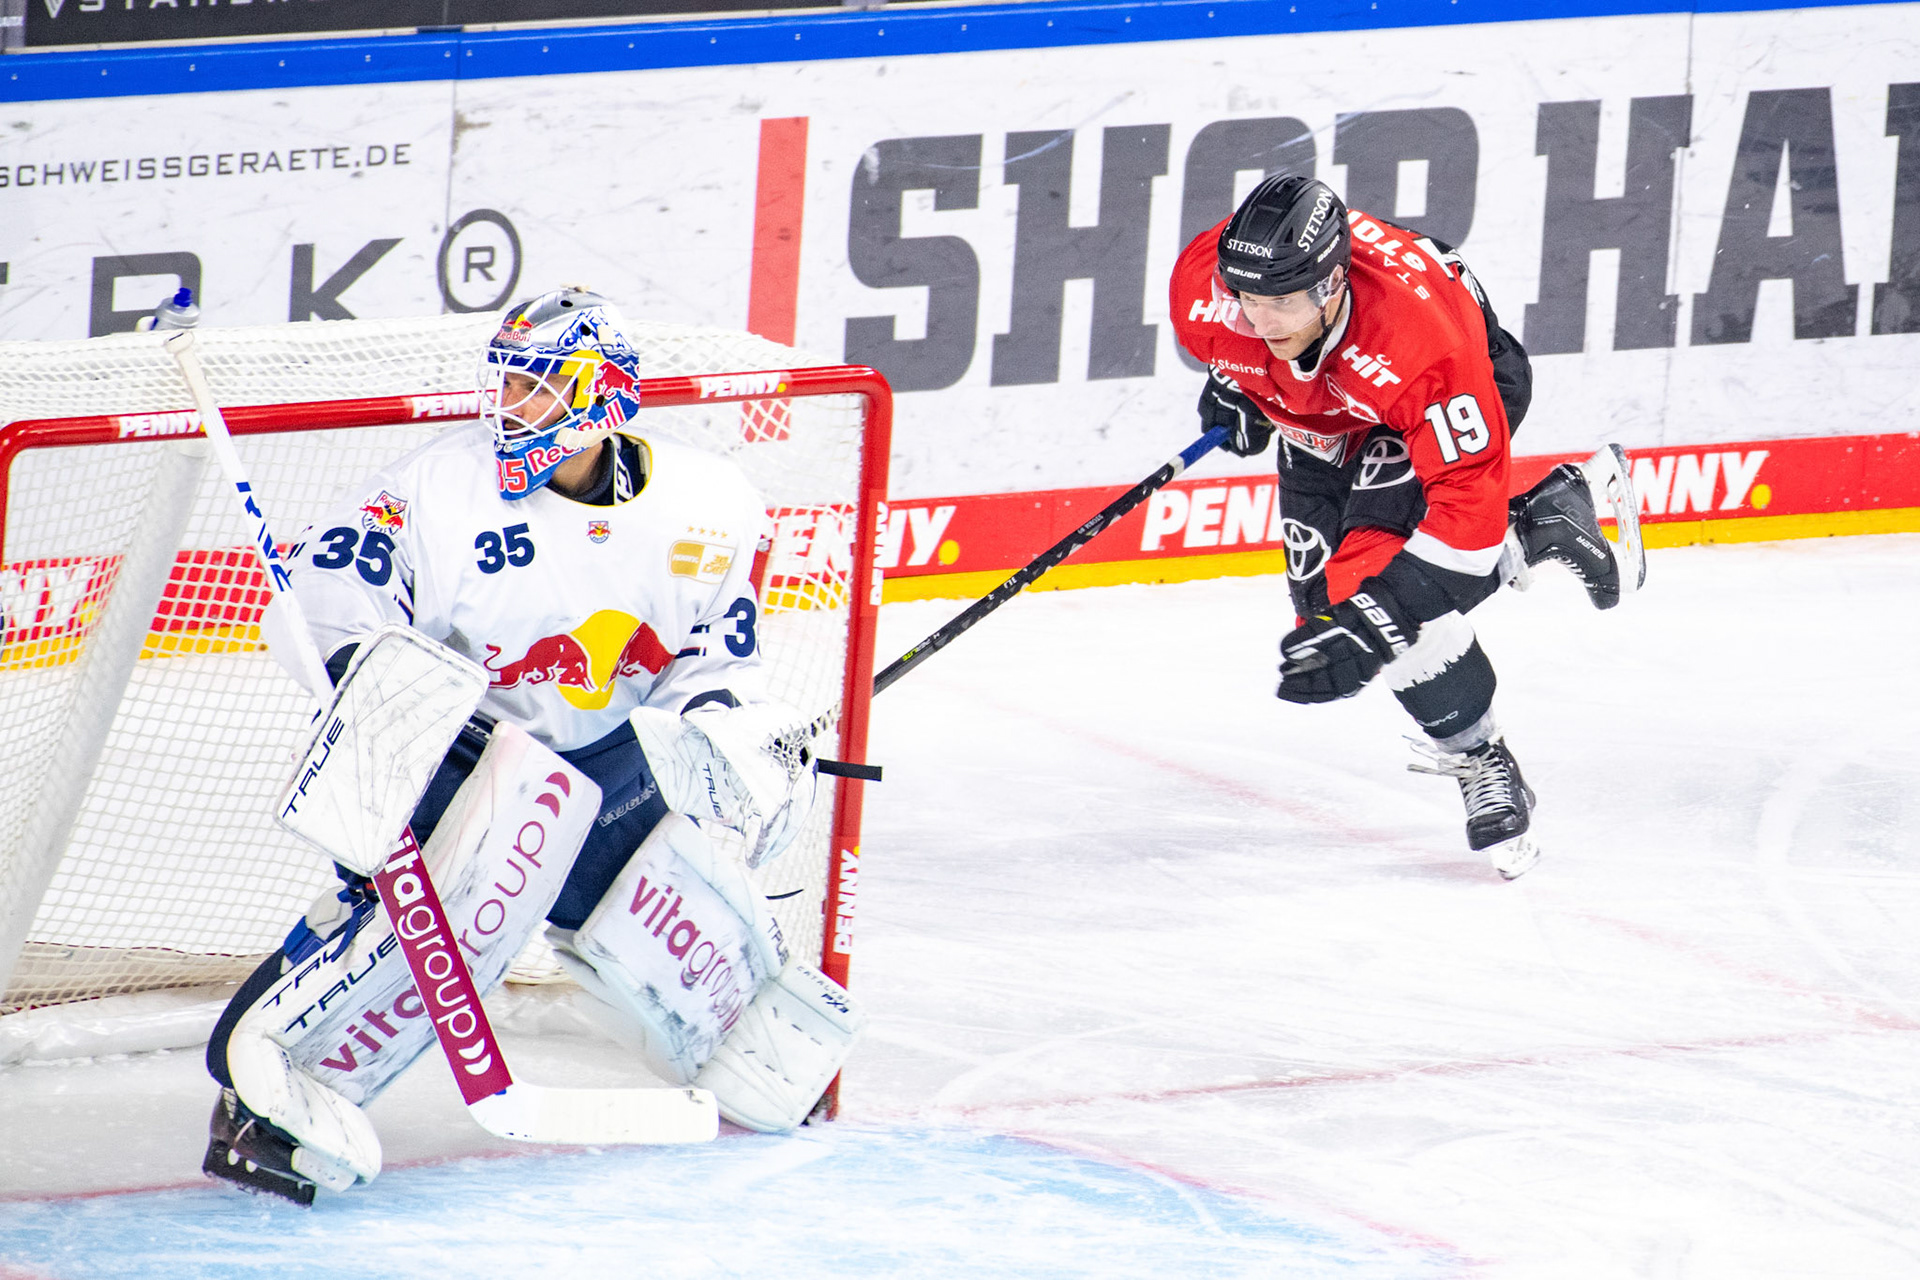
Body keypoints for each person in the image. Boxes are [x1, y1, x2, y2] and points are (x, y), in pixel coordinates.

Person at [201, 287, 861, 1203]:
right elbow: (331, 599)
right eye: (508, 382)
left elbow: (713, 660)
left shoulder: (713, 505)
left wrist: (721, 738)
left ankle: (747, 1043)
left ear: (604, 397)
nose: (511, 406)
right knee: (448, 920)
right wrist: (389, 701)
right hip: (466, 750)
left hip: (612, 755)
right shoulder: (437, 488)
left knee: (673, 902)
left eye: (539, 388)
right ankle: (266, 1095)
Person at [1169, 175, 1640, 879]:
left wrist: (1378, 623)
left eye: (1281, 304)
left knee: (1371, 594)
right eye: (1248, 300)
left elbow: (1463, 527)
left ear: (1331, 285)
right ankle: (1543, 520)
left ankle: (1484, 757)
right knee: (1324, 613)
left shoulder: (1426, 348)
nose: (1260, 322)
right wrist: (1236, 387)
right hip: (1330, 414)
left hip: (1430, 398)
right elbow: (1236, 342)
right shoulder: (1211, 292)